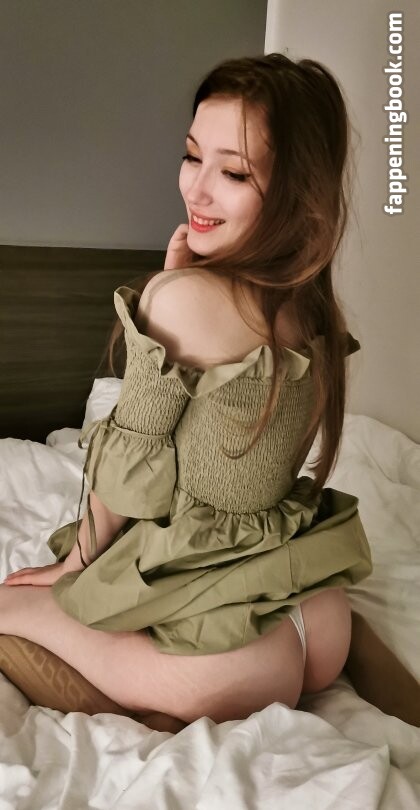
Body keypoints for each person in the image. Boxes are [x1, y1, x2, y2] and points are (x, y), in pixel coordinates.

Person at [0, 54, 418, 733]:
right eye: (193, 156)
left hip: (227, 663)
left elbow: (128, 483)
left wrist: (76, 566)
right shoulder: (313, 308)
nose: (196, 189)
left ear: (294, 193)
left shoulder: (181, 300)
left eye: (234, 173)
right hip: (317, 617)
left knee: (9, 607)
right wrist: (182, 285)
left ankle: (141, 694)